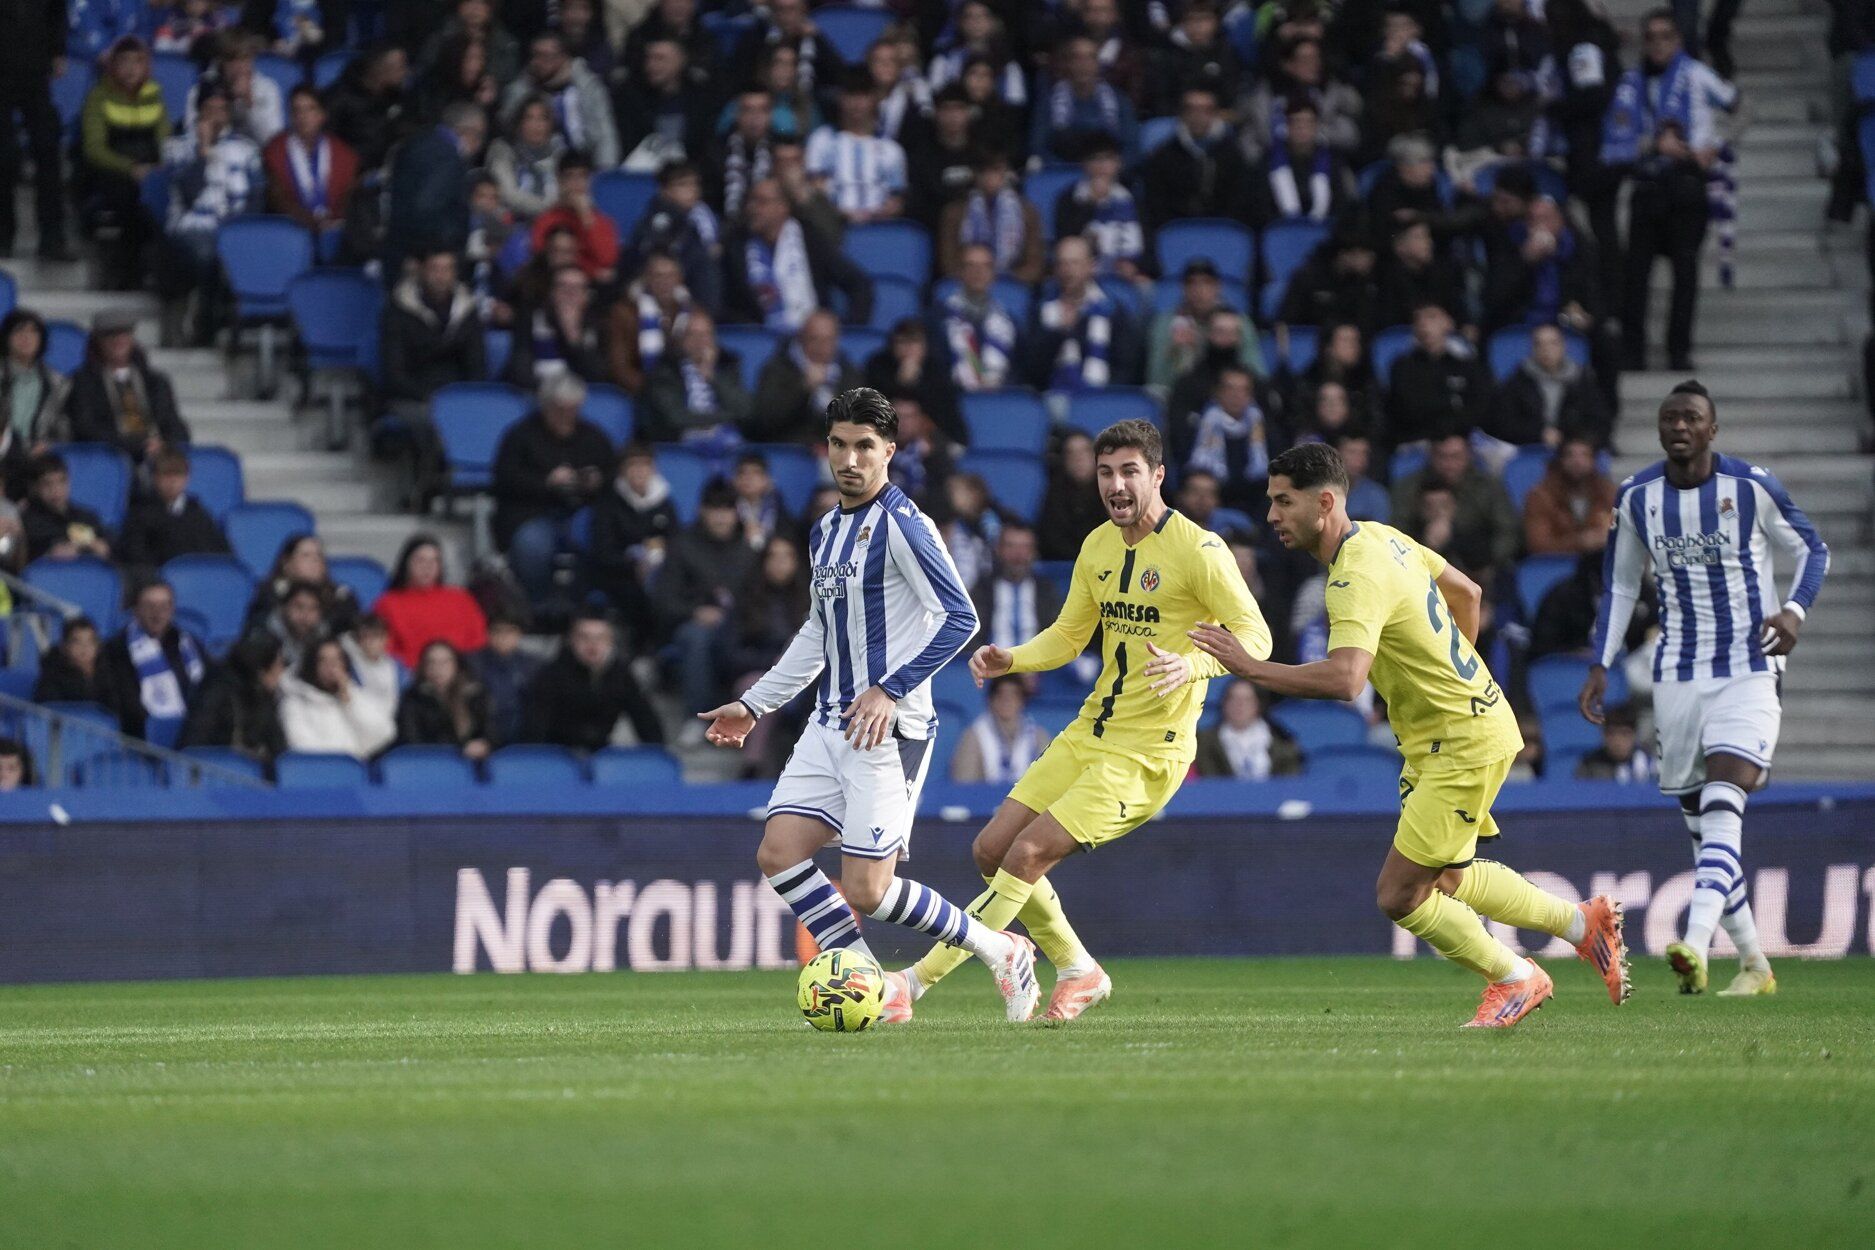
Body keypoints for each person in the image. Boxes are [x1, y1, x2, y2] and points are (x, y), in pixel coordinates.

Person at [1188, 443, 1630, 1027]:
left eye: (1282, 501)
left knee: (1399, 893)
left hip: (1461, 738)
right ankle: (1581, 923)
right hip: (1448, 731)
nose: (1271, 515)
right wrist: (1451, 678)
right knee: (1446, 875)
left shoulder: (1352, 575)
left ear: (1324, 502)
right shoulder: (1384, 535)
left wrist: (1249, 668)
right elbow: (1468, 593)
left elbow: (1347, 679)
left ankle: (1518, 977)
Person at [893, 419, 1273, 1023]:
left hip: (1148, 753)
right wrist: (1010, 657)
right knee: (990, 850)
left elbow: (1257, 635)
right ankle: (1078, 969)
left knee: (1026, 856)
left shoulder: (1200, 551)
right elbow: (1071, 635)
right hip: (1090, 730)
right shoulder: (1098, 545)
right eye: (1105, 473)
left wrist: (1195, 663)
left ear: (1157, 475)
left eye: (1129, 472)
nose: (1116, 485)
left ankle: (912, 984)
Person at [696, 386, 1042, 1023]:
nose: (850, 459)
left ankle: (1001, 949)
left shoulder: (906, 527)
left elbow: (961, 617)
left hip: (890, 729)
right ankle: (869, 982)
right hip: (830, 723)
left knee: (868, 890)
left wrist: (892, 687)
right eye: (839, 444)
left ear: (889, 452)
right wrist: (754, 705)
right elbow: (817, 634)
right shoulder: (826, 529)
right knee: (778, 852)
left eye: (865, 447)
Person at [1581, 380, 1830, 998]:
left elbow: (1814, 551)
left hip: (1749, 668)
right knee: (1702, 828)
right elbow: (1619, 584)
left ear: (1712, 430)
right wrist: (1601, 662)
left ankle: (1694, 942)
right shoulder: (1638, 498)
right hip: (1677, 677)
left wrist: (1794, 612)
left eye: (1691, 417)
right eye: (1670, 418)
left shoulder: (1749, 488)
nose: (1679, 426)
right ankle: (1755, 965)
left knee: (1723, 801)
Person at [1602, 10, 1733, 371]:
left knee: (1685, 274)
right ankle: (1634, 352)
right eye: (1652, 37)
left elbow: (1742, 108)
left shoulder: (1696, 74)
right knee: (1637, 276)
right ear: (1644, 42)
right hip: (1647, 185)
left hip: (1687, 186)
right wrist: (1651, 147)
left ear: (1678, 40)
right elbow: (1615, 138)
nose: (1658, 44)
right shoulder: (1630, 83)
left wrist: (1717, 146)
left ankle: (1678, 351)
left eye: (1666, 36)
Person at [492, 372, 614, 603]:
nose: (567, 417)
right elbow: (505, 479)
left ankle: (585, 602)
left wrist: (596, 480)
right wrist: (546, 482)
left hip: (582, 509)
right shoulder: (520, 435)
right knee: (532, 546)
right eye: (561, 410)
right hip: (532, 512)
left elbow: (613, 472)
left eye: (573, 410)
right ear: (546, 406)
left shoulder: (593, 435)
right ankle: (537, 605)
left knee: (598, 537)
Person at [77, 36, 170, 289]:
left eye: (137, 62)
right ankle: (128, 273)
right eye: (124, 62)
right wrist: (131, 169)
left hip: (148, 172)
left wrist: (161, 165)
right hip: (110, 173)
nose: (130, 69)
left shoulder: (155, 96)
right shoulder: (99, 97)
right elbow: (94, 149)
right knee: (128, 197)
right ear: (113, 66)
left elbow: (165, 140)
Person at [658, 481, 755, 712]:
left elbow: (758, 597)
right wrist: (695, 611)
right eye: (714, 510)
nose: (721, 517)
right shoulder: (681, 545)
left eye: (727, 510)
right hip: (689, 624)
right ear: (701, 511)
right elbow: (664, 599)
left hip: (740, 624)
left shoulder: (748, 550)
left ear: (736, 513)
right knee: (697, 638)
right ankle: (697, 716)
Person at [1390, 435, 1520, 586]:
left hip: (1483, 567)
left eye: (1456, 456)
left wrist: (1486, 563)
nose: (1449, 464)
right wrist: (1428, 545)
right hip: (1418, 570)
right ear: (1431, 455)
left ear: (1469, 454)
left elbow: (1508, 531)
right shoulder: (1409, 488)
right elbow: (1395, 534)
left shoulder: (1488, 487)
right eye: (1442, 457)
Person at [521, 611, 663, 748]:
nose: (592, 644)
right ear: (572, 640)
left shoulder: (621, 674)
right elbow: (536, 726)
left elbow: (644, 718)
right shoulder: (551, 675)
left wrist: (656, 753)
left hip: (600, 751)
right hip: (557, 755)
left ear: (610, 642)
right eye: (584, 637)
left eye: (600, 638)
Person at [0, 0, 73, 261]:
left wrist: (58, 50)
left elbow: (57, 11)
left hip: (36, 71)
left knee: (48, 150)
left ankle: (53, 239)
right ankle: (3, 234)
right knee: (4, 156)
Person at [379, 250, 488, 425]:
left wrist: (461, 398)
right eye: (434, 269)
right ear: (421, 270)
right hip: (412, 397)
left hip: (458, 396)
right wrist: (429, 397)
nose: (441, 276)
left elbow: (477, 367)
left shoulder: (468, 310)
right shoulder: (398, 310)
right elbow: (394, 373)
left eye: (447, 269)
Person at [383, 101, 485, 277]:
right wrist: (433, 250)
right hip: (425, 260)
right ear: (469, 131)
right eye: (481, 136)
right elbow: (427, 207)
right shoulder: (448, 158)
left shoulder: (418, 143)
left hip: (397, 248)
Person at [103, 579, 208, 747]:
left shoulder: (189, 645)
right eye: (150, 606)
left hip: (190, 737)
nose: (157, 614)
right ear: (136, 610)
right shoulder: (117, 650)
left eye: (164, 606)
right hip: (139, 740)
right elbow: (123, 700)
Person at [1025, 236, 1137, 392]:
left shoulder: (1112, 310)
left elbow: (1126, 367)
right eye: (1062, 263)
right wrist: (1058, 334)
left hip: (1103, 397)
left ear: (1091, 266)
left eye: (1074, 263)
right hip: (1053, 398)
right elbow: (1032, 371)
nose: (1067, 270)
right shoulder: (1041, 309)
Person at [262, 86, 359, 256]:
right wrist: (310, 222)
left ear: (322, 115)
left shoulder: (344, 154)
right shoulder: (274, 151)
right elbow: (278, 199)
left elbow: (349, 198)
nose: (303, 117)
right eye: (297, 110)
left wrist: (333, 221)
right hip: (291, 234)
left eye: (310, 109)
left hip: (336, 234)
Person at [1140, 85, 1251, 233]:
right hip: (1176, 235)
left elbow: (1240, 204)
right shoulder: (1162, 157)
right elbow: (1156, 208)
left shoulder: (1233, 155)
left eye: (1205, 110)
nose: (1198, 116)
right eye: (1191, 109)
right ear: (1182, 114)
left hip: (1223, 234)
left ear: (1215, 114)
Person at [499, 31, 618, 168]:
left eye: (547, 56)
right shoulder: (521, 89)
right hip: (533, 164)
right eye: (536, 55)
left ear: (563, 57)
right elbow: (508, 127)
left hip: (583, 166)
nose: (539, 62)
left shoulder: (588, 87)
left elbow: (605, 134)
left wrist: (605, 172)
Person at [1485, 324, 1612, 450]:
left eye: (1553, 343)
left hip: (1573, 450)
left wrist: (1566, 438)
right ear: (1532, 349)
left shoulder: (1582, 381)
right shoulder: (1517, 382)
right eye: (1539, 344)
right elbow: (1503, 425)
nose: (1546, 349)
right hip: (1526, 448)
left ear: (1563, 347)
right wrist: (1539, 434)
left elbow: (1599, 422)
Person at [639, 307, 753, 446]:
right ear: (681, 340)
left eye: (706, 334)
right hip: (682, 443)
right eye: (693, 335)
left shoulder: (727, 366)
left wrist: (713, 377)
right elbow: (675, 418)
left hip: (728, 441)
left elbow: (744, 410)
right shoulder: (665, 370)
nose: (700, 341)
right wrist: (725, 417)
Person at [1383, 305, 1490, 449]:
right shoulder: (1402, 366)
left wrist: (1455, 430)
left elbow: (1480, 405)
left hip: (1466, 440)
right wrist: (1451, 406)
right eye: (1417, 318)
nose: (1423, 323)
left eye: (1431, 317)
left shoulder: (1466, 364)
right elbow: (1409, 410)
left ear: (1449, 323)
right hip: (1420, 440)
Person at [374, 534, 489, 668]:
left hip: (462, 676)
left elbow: (478, 642)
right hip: (411, 678)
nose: (427, 567)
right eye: (420, 560)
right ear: (406, 564)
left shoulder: (461, 598)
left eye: (434, 561)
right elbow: (385, 651)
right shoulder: (387, 604)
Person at [178, 629, 286, 763]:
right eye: (278, 665)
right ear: (261, 670)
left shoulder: (265, 698)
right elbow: (194, 747)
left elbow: (279, 750)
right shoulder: (216, 691)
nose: (282, 671)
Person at [750, 310, 858, 444]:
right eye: (814, 339)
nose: (821, 347)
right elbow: (767, 419)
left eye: (828, 340)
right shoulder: (778, 369)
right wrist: (803, 389)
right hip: (792, 448)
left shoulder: (848, 371)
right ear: (801, 339)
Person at [280, 636, 396, 758]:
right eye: (323, 661)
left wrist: (350, 703)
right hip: (317, 772)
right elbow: (301, 746)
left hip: (354, 771)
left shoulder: (352, 694)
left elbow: (383, 733)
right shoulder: (294, 702)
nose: (331, 667)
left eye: (337, 660)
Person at [938, 149, 1041, 285]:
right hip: (965, 283)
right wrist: (975, 278)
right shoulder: (954, 212)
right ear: (975, 175)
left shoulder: (1027, 212)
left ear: (1005, 173)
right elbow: (948, 263)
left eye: (995, 171)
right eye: (984, 172)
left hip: (1010, 283)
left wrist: (1008, 279)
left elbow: (1034, 264)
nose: (990, 177)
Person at [1030, 34, 1137, 165]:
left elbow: (1132, 148)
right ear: (1067, 64)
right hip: (1061, 173)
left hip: (1107, 176)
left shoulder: (1120, 100)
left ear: (1098, 63)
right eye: (1077, 58)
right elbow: (1037, 146)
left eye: (1090, 58)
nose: (1084, 65)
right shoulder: (1048, 101)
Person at [120, 447, 231, 571]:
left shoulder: (198, 512)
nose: (173, 481)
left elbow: (221, 551)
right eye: (166, 475)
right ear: (155, 477)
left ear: (187, 478)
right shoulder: (140, 512)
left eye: (178, 474)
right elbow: (135, 555)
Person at [613, 37, 716, 172]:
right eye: (649, 59)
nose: (651, 65)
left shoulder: (701, 99)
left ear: (680, 61)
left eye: (660, 59)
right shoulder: (632, 99)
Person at [1053, 135, 1144, 284]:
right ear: (1085, 164)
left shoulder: (1133, 199)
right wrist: (1090, 205)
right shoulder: (1068, 199)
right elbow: (1064, 241)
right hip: (1079, 277)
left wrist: (1136, 267)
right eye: (1095, 159)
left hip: (1127, 277)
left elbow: (1148, 245)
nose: (1102, 166)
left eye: (1108, 159)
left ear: (1118, 163)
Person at [1250, 97, 1353, 227]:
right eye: (1296, 122)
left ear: (1316, 126)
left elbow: (1341, 205)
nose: (1302, 128)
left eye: (1308, 123)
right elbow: (1260, 207)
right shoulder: (1267, 161)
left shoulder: (1333, 161)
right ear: (1287, 126)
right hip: (1281, 233)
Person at [504, 262, 609, 386]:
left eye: (577, 288)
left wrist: (573, 337)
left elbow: (597, 375)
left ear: (586, 295)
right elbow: (520, 367)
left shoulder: (598, 323)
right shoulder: (531, 318)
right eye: (563, 286)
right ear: (551, 292)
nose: (570, 294)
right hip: (538, 393)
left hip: (581, 396)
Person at [933, 243, 1019, 392]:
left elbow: (1020, 371)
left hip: (998, 401)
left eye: (985, 266)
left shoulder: (1009, 322)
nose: (978, 272)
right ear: (960, 272)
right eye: (970, 265)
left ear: (993, 274)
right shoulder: (938, 319)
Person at [524, 152, 618, 285]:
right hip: (552, 286)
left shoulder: (602, 221)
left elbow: (607, 259)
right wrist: (592, 270)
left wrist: (586, 216)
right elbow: (544, 261)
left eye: (582, 176)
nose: (577, 184)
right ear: (559, 181)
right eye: (570, 177)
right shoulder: (545, 220)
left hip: (590, 289)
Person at [606, 249, 691, 395]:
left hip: (685, 393)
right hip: (645, 394)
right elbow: (620, 368)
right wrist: (654, 392)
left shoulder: (693, 313)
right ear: (646, 278)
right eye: (658, 276)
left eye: (670, 276)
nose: (664, 282)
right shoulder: (625, 313)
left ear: (679, 279)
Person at [969, 523, 1061, 653]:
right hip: (990, 665)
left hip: (1039, 666)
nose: (1018, 555)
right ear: (998, 549)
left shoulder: (1046, 590)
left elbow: (1057, 633)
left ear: (1034, 552)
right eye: (1010, 546)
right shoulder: (982, 589)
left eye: (1025, 547)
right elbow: (970, 634)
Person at [244, 533, 360, 636]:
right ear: (287, 563)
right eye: (306, 555)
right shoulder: (270, 596)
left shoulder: (342, 597)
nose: (315, 560)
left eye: (319, 555)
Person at [397, 640, 493, 758]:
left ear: (456, 665)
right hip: (430, 761)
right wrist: (460, 749)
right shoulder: (413, 697)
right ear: (423, 666)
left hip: (475, 762)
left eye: (445, 662)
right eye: (431, 662)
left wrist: (485, 744)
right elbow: (412, 738)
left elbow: (492, 730)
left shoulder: (475, 694)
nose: (438, 668)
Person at [1523, 437, 1617, 557]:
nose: (1577, 461)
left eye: (1584, 455)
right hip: (1555, 564)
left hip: (1598, 562)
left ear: (1593, 461)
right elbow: (1537, 544)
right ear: (1560, 461)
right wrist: (1579, 542)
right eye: (1570, 455)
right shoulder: (1540, 496)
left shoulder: (1607, 492)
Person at [951, 675, 1052, 784]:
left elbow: (1049, 782)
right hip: (984, 799)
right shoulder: (974, 736)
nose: (1007, 701)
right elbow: (963, 784)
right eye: (1001, 695)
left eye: (1014, 695)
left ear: (1022, 701)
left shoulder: (1038, 736)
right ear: (991, 700)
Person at [1195, 680, 1302, 780]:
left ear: (1258, 704)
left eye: (1247, 700)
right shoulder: (1203, 742)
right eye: (1233, 699)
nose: (1239, 705)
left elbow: (1291, 780)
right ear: (1224, 703)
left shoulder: (1283, 741)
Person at [485, 94, 564, 222]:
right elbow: (508, 195)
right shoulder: (502, 150)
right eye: (529, 118)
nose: (536, 125)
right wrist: (547, 208)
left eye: (543, 119)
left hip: (554, 225)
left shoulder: (560, 153)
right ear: (519, 123)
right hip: (511, 225)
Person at [0, 309, 72, 451]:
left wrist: (48, 445)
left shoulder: (58, 382)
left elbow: (64, 428)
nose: (26, 337)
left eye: (33, 331)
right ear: (6, 338)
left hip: (39, 453)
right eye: (19, 331)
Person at [21, 453, 112, 562]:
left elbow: (104, 547)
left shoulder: (87, 517)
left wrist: (95, 547)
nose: (56, 490)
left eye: (62, 481)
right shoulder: (28, 522)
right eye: (47, 484)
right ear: (35, 488)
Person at [471, 611, 538, 746]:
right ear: (488, 633)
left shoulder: (534, 666)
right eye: (497, 631)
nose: (503, 637)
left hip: (524, 736)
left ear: (519, 634)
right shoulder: (471, 664)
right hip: (481, 737)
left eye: (510, 632)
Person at [1037, 429, 1105, 559]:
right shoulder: (1054, 495)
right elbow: (1051, 541)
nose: (1078, 458)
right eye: (1070, 453)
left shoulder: (1115, 492)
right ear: (1064, 460)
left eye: (1085, 451)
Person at [33, 617, 120, 708]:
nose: (84, 648)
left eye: (90, 641)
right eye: (77, 642)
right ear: (64, 647)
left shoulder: (111, 674)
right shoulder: (52, 678)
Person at [1574, 702, 1657, 783]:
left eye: (1624, 734)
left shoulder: (1651, 766)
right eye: (1611, 733)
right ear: (1603, 735)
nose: (1617, 740)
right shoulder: (1589, 767)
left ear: (1634, 735)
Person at [261, 578, 329, 672]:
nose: (305, 615)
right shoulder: (263, 640)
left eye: (313, 609)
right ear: (284, 608)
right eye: (299, 606)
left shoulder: (326, 641)